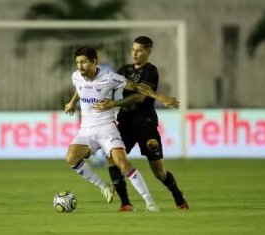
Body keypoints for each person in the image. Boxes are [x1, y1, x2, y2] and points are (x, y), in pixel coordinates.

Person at [64, 45, 179, 212]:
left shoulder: (109, 77)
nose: (80, 66)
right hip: (86, 130)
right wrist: (72, 101)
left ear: (94, 62)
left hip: (106, 128)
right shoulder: (76, 76)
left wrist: (161, 97)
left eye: (83, 62)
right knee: (71, 158)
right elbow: (79, 88)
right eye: (77, 62)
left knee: (123, 164)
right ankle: (103, 186)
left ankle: (150, 202)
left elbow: (139, 87)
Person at [93, 36, 189, 211]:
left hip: (145, 123)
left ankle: (177, 194)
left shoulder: (151, 71)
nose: (135, 53)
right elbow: (109, 86)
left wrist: (113, 104)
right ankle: (126, 203)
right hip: (125, 122)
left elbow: (140, 96)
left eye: (139, 50)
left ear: (148, 52)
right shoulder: (125, 69)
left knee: (159, 172)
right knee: (112, 158)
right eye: (133, 50)